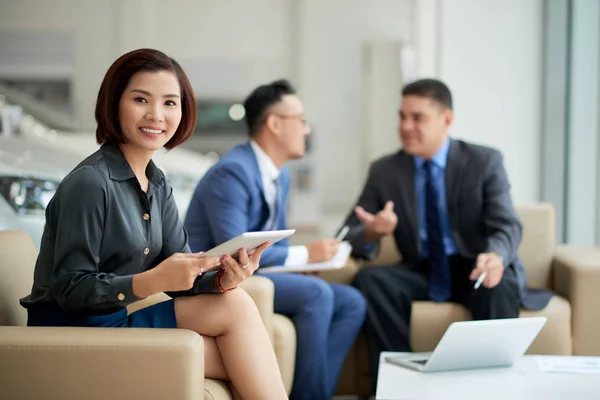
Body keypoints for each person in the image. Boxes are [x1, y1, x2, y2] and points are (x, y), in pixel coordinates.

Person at [19, 48, 288, 400]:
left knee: (235, 308)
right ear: (114, 103)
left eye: (170, 103)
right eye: (141, 99)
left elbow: (183, 271)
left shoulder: (156, 183)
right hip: (74, 332)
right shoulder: (89, 183)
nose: (156, 115)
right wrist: (152, 280)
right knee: (242, 338)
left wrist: (224, 276)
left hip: (113, 321)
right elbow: (72, 289)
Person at [342, 78, 553, 388]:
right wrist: (372, 232)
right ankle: (399, 387)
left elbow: (506, 224)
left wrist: (495, 256)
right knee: (371, 280)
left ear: (447, 120)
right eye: (402, 116)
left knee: (500, 281)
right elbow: (347, 234)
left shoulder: (483, 162)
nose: (406, 126)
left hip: (474, 267)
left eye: (418, 117)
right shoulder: (385, 170)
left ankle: (493, 388)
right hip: (422, 270)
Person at [184, 79, 366, 400]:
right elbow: (234, 249)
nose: (307, 130)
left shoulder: (279, 174)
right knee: (317, 295)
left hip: (260, 275)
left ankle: (316, 392)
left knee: (352, 302)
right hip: (219, 279)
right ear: (274, 124)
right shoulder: (232, 172)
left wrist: (299, 263)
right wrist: (305, 256)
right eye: (301, 120)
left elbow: (274, 243)